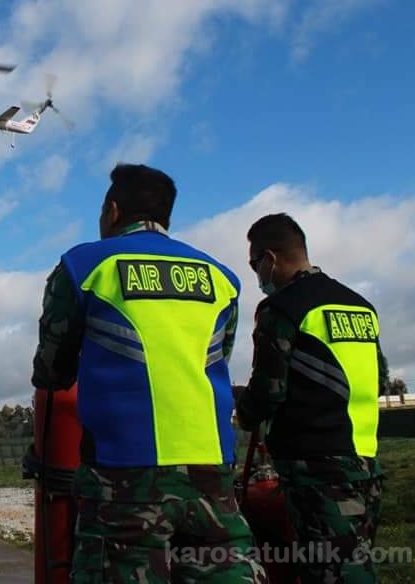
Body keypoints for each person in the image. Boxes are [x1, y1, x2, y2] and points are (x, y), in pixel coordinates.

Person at [32, 163, 265, 583]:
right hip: (212, 469)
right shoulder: (221, 277)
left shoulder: (84, 265)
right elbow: (219, 356)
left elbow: (52, 370)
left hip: (122, 475)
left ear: (113, 211)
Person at [235, 213, 389, 583]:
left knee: (330, 570)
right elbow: (380, 380)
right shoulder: (360, 305)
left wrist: (244, 411)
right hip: (366, 462)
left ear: (270, 259)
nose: (258, 275)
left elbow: (268, 391)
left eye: (255, 265)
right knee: (356, 562)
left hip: (317, 470)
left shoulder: (282, 309)